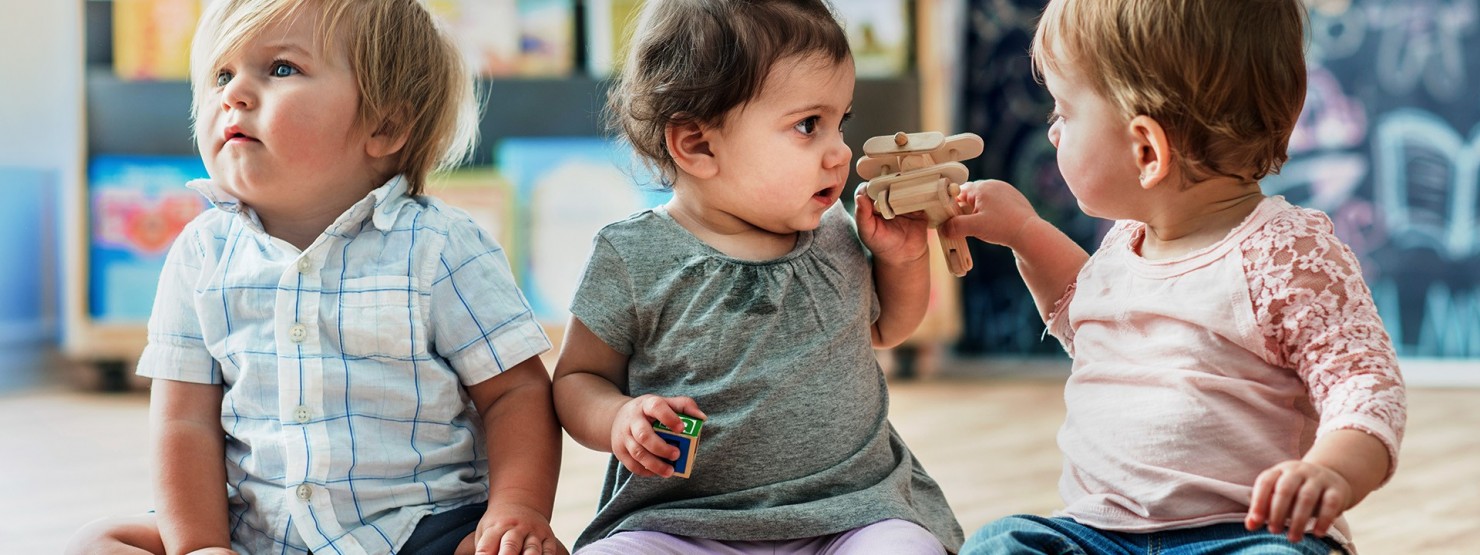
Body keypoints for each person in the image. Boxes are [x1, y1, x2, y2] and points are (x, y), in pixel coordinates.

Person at [64, 1, 565, 554]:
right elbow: (184, 422)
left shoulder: (440, 245)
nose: (233, 94)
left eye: (281, 69)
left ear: (386, 125)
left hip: (420, 530)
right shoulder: (201, 253)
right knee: (100, 542)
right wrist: (200, 546)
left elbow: (515, 393)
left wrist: (516, 510)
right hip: (258, 530)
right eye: (221, 75)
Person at [940, 0, 1406, 553]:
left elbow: (1364, 384)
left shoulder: (1286, 255)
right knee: (1002, 543)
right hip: (1099, 534)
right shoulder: (1125, 242)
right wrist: (1022, 230)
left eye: (1064, 112)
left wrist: (1333, 470)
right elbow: (1085, 318)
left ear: (1146, 150)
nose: (1053, 133)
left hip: (1244, 535)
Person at [549, 1, 964, 553]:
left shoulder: (833, 227)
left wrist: (904, 259)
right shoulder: (633, 255)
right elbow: (576, 380)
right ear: (697, 145)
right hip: (684, 523)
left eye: (842, 121)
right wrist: (619, 417)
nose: (839, 152)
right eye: (808, 125)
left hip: (853, 513)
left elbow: (887, 329)